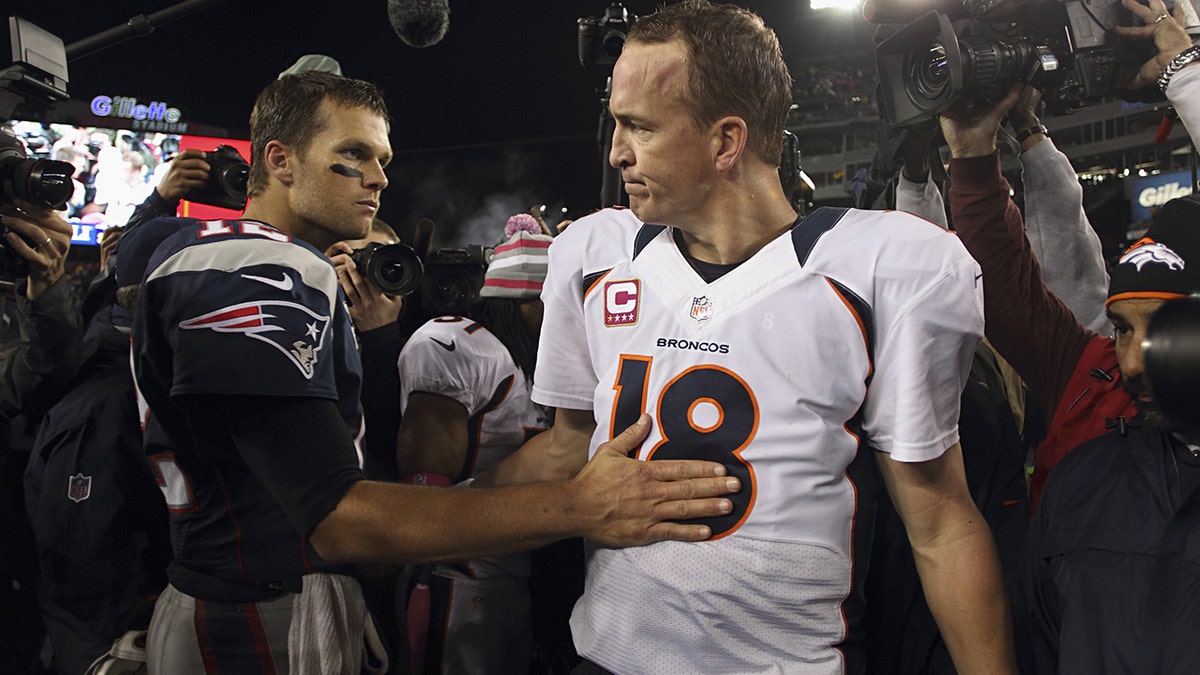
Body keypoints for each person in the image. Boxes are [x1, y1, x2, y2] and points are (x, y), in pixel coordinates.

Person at [130, 69, 739, 674]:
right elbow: (336, 520)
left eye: (383, 158)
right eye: (353, 153)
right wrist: (579, 506)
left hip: (274, 594)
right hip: (257, 614)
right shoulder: (259, 266)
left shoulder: (246, 256)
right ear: (280, 160)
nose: (378, 177)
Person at [519, 2, 1015, 672]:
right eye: (617, 123)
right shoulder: (592, 255)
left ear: (727, 142)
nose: (616, 152)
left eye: (639, 125)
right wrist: (432, 512)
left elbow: (941, 524)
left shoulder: (882, 270)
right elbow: (563, 452)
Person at [938, 2, 1200, 670]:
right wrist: (970, 152)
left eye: (1162, 329)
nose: (1136, 357)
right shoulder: (1092, 371)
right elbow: (1000, 280)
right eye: (1122, 327)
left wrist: (1188, 75)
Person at [395, 214, 553, 674]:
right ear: (524, 300)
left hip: (511, 572)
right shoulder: (456, 345)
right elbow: (423, 498)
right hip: (455, 575)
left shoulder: (533, 359)